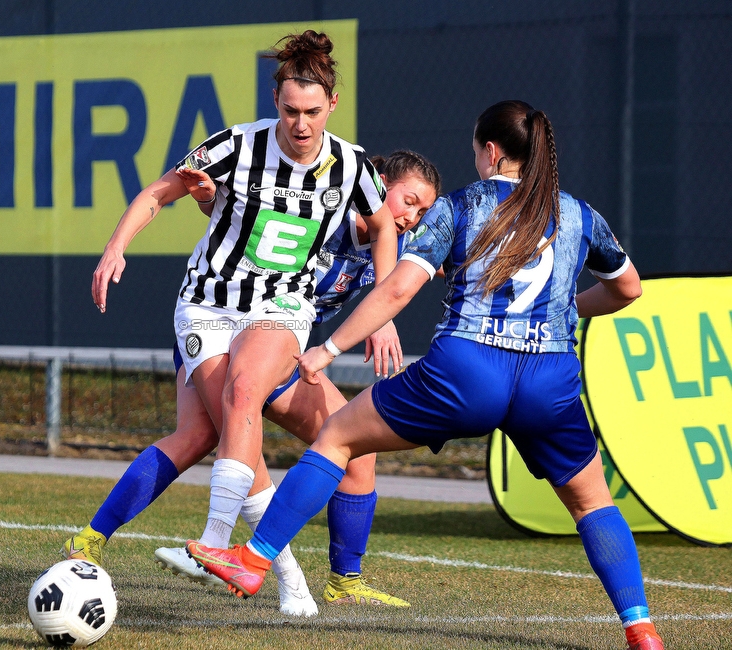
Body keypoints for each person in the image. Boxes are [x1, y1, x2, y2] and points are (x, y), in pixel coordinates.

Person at [188, 100, 664, 650]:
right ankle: (640, 627)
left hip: (467, 369)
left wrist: (328, 348)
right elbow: (628, 289)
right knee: (592, 503)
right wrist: (560, 310)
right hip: (548, 378)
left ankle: (253, 561)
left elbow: (397, 288)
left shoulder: (462, 204)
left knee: (338, 436)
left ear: (489, 151)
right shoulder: (580, 214)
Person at [78, 29, 400, 615]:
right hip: (207, 302)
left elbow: (383, 228)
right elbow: (160, 192)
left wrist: (383, 310)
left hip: (281, 307)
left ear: (332, 105)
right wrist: (114, 247)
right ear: (274, 101)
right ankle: (290, 581)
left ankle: (219, 544)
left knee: (244, 392)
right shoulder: (235, 145)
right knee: (224, 425)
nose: (300, 125)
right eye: (289, 110)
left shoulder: (351, 165)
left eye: (312, 112)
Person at [64, 151, 441, 614]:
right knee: (209, 434)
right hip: (223, 324)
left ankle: (344, 580)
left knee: (358, 449)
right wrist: (208, 200)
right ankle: (97, 540)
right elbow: (242, 215)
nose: (411, 217)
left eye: (423, 211)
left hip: (283, 347)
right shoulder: (323, 203)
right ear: (378, 185)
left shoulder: (399, 244)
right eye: (408, 201)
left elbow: (443, 260)